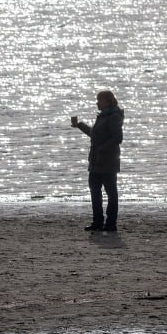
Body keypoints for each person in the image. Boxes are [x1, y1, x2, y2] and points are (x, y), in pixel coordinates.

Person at [71, 90, 124, 232]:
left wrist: (102, 149)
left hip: (108, 162)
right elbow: (94, 135)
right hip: (95, 162)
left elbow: (118, 138)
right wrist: (79, 125)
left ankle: (111, 224)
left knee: (111, 192)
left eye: (99, 100)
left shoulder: (114, 117)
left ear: (107, 101)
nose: (97, 103)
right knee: (95, 192)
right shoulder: (102, 116)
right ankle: (97, 222)